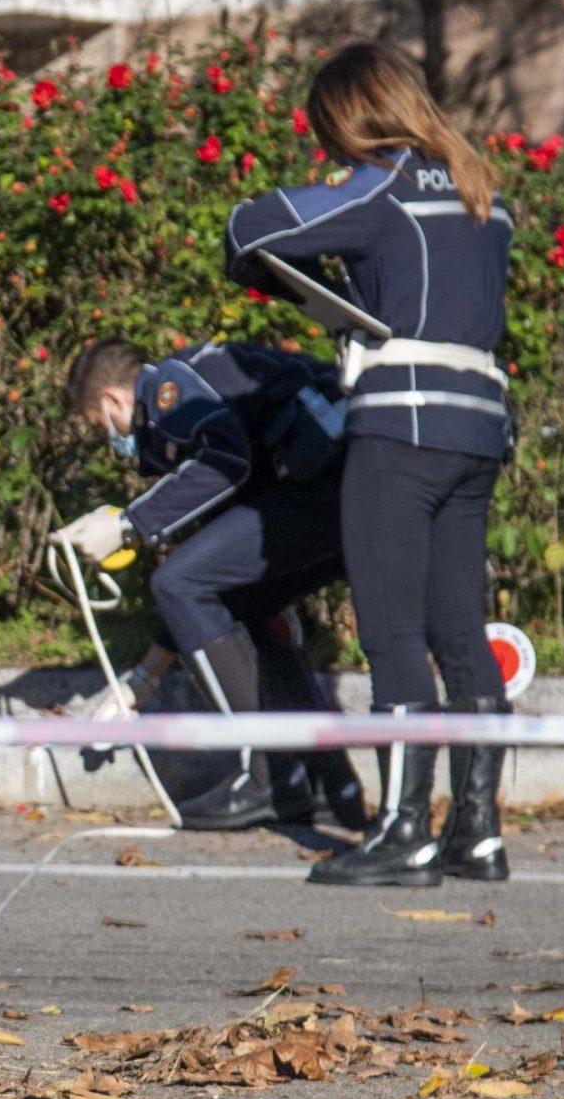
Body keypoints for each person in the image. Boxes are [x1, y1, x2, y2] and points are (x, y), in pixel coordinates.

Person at [225, 40, 515, 887]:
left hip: (400, 430)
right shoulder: (483, 192)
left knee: (391, 630)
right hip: (478, 429)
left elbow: (253, 226)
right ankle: (479, 830)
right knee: (461, 634)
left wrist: (300, 282)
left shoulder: (383, 183)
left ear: (354, 116)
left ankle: (402, 832)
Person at [53, 339, 369, 831]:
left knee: (178, 581)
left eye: (101, 426)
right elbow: (210, 585)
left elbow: (226, 461)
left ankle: (269, 776)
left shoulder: (170, 393)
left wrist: (130, 524)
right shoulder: (207, 390)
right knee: (245, 607)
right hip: (344, 483)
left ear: (114, 402)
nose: (110, 439)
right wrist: (144, 679)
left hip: (326, 484)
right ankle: (330, 785)